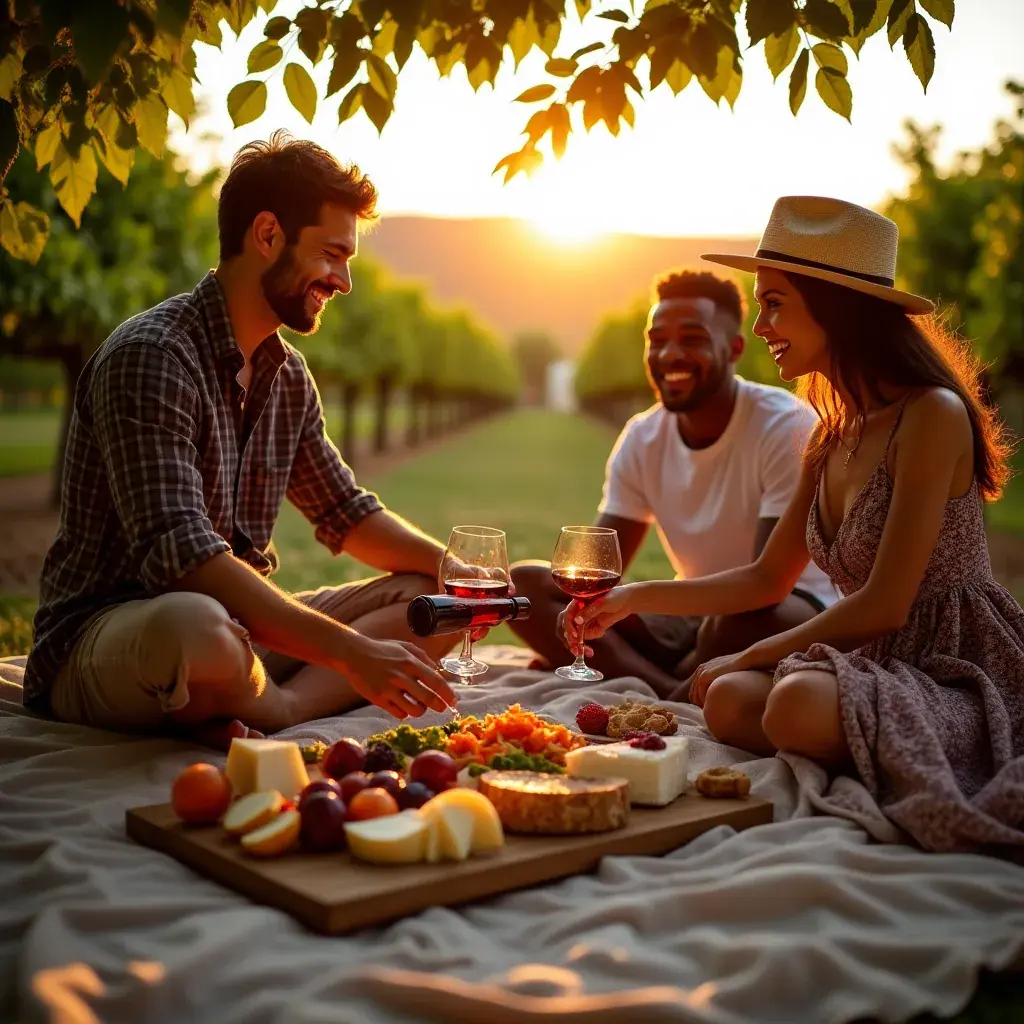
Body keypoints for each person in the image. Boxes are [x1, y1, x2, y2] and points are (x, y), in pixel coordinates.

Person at [572, 196, 1024, 854]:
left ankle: (896, 742)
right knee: (727, 700)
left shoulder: (931, 414)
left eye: (775, 304)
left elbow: (887, 604)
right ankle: (863, 742)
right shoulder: (829, 436)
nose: (760, 326)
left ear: (835, 307)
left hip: (953, 659)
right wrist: (633, 596)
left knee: (788, 704)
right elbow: (765, 579)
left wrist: (754, 653)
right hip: (871, 659)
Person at [24, 131, 460, 746]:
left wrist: (454, 569)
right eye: (332, 254)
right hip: (117, 635)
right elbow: (184, 562)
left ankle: (279, 706)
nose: (344, 280)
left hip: (239, 636)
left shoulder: (288, 376)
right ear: (268, 235)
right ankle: (270, 704)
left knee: (436, 601)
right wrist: (352, 652)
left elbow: (345, 511)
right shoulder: (153, 356)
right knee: (196, 626)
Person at [510, 268, 836, 697]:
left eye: (692, 339)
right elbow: (599, 564)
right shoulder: (642, 436)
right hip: (687, 612)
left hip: (781, 606)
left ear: (734, 348)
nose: (669, 354)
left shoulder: (784, 427)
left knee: (729, 627)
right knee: (528, 586)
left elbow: (764, 585)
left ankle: (651, 678)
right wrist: (580, 608)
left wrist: (628, 606)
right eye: (657, 339)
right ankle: (673, 688)